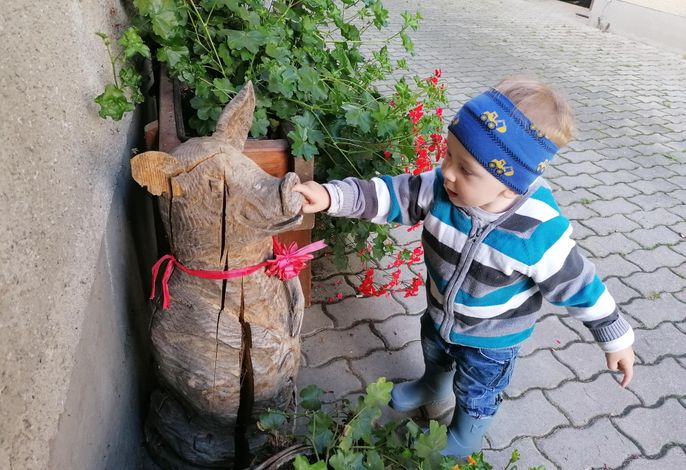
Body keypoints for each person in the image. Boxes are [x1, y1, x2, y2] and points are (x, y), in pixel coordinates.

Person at [293, 76, 635, 460]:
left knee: (478, 391)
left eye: (466, 169)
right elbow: (388, 194)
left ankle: (465, 435)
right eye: (448, 155)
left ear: (510, 184)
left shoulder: (538, 231)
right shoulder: (439, 188)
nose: (448, 172)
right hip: (440, 313)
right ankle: (432, 387)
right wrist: (331, 196)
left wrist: (615, 337)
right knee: (434, 352)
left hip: (492, 341)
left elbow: (579, 285)